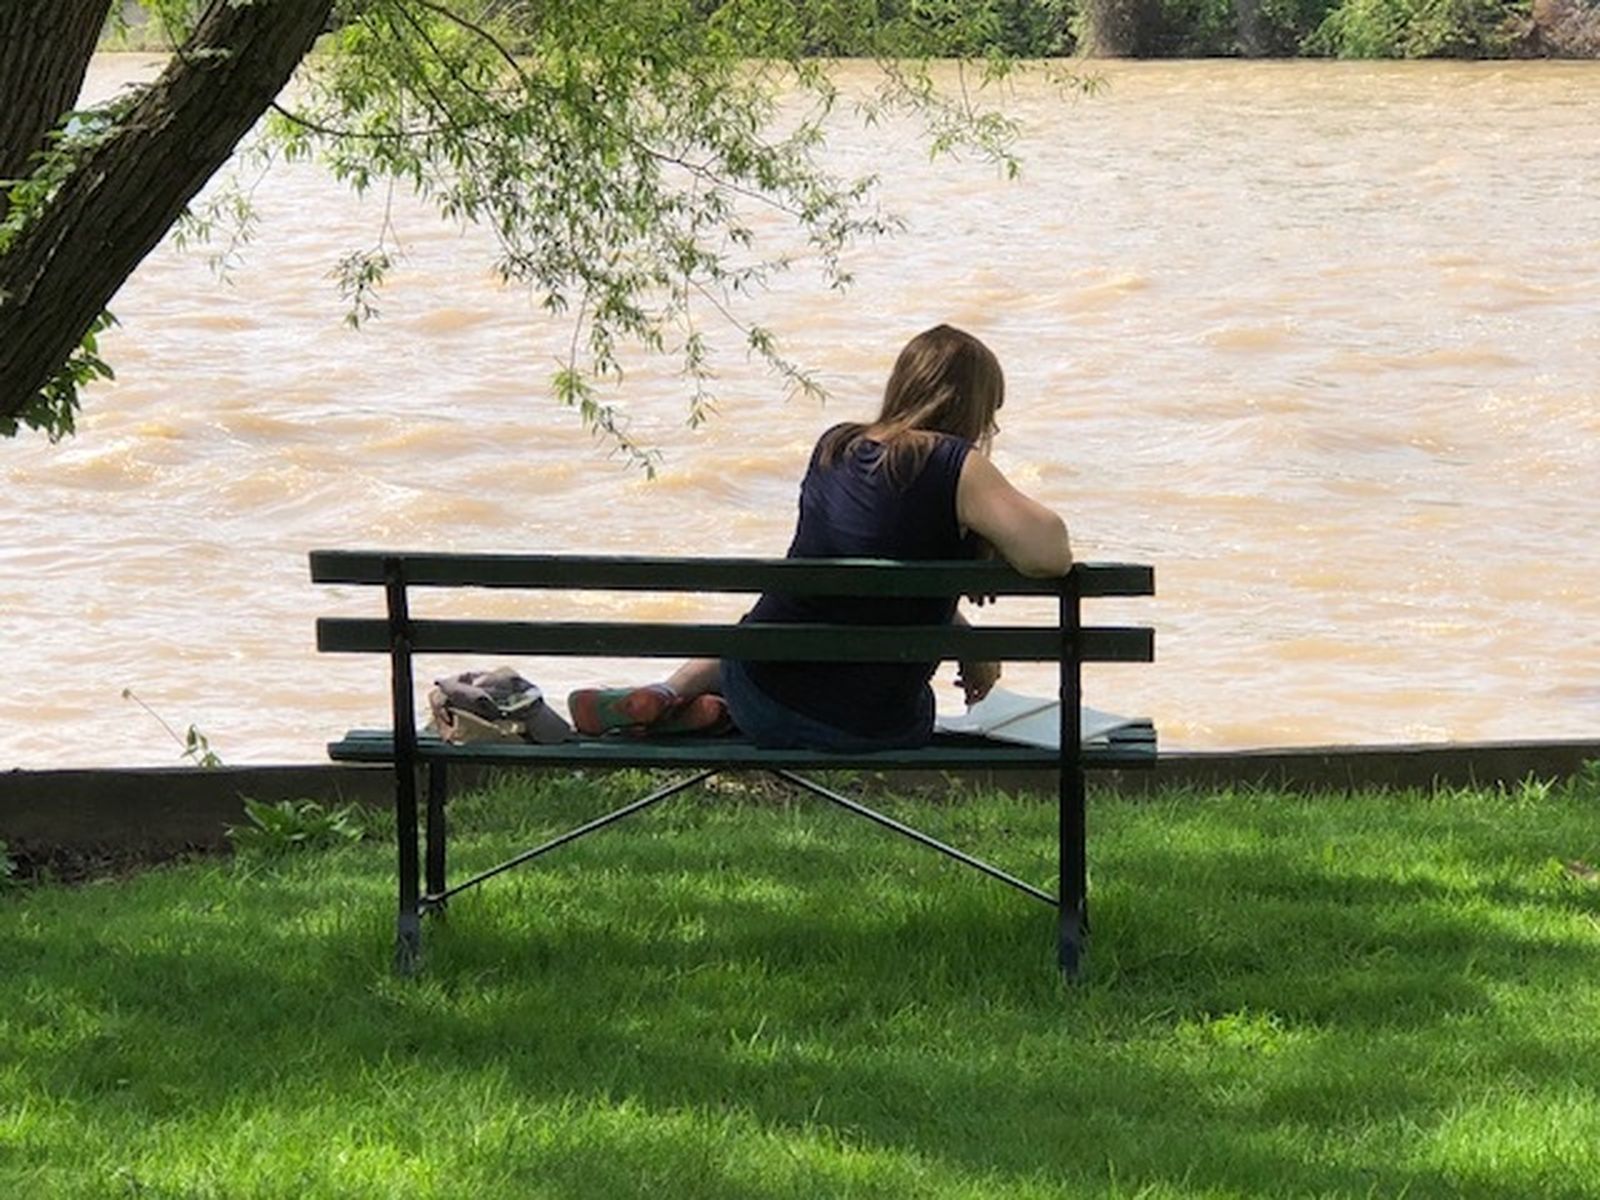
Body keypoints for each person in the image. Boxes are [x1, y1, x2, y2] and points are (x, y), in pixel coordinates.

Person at [568, 323, 1072, 749]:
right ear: (974, 405)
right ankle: (698, 710)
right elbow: (1048, 553)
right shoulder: (958, 465)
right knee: (827, 668)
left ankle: (672, 696)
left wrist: (967, 638)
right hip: (872, 725)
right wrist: (974, 642)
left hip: (765, 697)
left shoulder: (836, 447)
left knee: (761, 630)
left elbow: (861, 576)